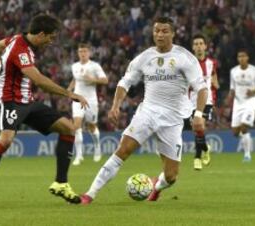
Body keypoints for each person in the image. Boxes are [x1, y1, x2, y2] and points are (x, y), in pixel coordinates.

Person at [79, 17, 208, 204]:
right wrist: (115, 106)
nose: (160, 34)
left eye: (164, 31)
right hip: (147, 112)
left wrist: (198, 114)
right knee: (123, 150)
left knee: (171, 176)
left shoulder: (185, 58)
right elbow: (125, 82)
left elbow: (202, 89)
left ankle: (156, 187)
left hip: (173, 119)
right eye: (157, 31)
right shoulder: (145, 57)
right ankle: (89, 194)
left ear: (173, 33)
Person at [0, 14, 88, 205]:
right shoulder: (21, 50)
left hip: (27, 101)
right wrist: (68, 94)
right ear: (41, 34)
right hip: (9, 100)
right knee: (5, 140)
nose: (51, 42)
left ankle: (61, 183)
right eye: (51, 38)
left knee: (68, 128)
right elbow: (38, 80)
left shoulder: (16, 39)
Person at [67, 43, 108, 166]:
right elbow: (75, 79)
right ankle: (79, 156)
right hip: (78, 99)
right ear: (78, 53)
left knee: (91, 126)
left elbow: (105, 80)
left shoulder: (95, 66)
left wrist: (93, 79)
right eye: (80, 51)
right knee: (77, 125)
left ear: (89, 53)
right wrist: (68, 90)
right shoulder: (74, 66)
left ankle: (97, 147)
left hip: (91, 101)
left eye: (85, 51)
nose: (83, 54)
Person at [228, 49, 255, 162]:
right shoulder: (233, 71)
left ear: (247, 58)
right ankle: (246, 139)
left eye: (243, 56)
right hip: (237, 104)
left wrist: (254, 92)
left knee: (244, 127)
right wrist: (231, 94)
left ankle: (247, 155)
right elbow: (232, 87)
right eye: (239, 56)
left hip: (250, 103)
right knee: (235, 132)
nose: (241, 58)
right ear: (237, 59)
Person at [189, 34, 219, 170]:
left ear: (205, 46)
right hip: (191, 101)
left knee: (199, 126)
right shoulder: (189, 64)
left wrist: (215, 86)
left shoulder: (211, 63)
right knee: (197, 129)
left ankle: (197, 158)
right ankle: (206, 148)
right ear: (193, 47)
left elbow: (215, 80)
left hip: (207, 100)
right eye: (196, 44)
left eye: (201, 43)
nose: (199, 46)